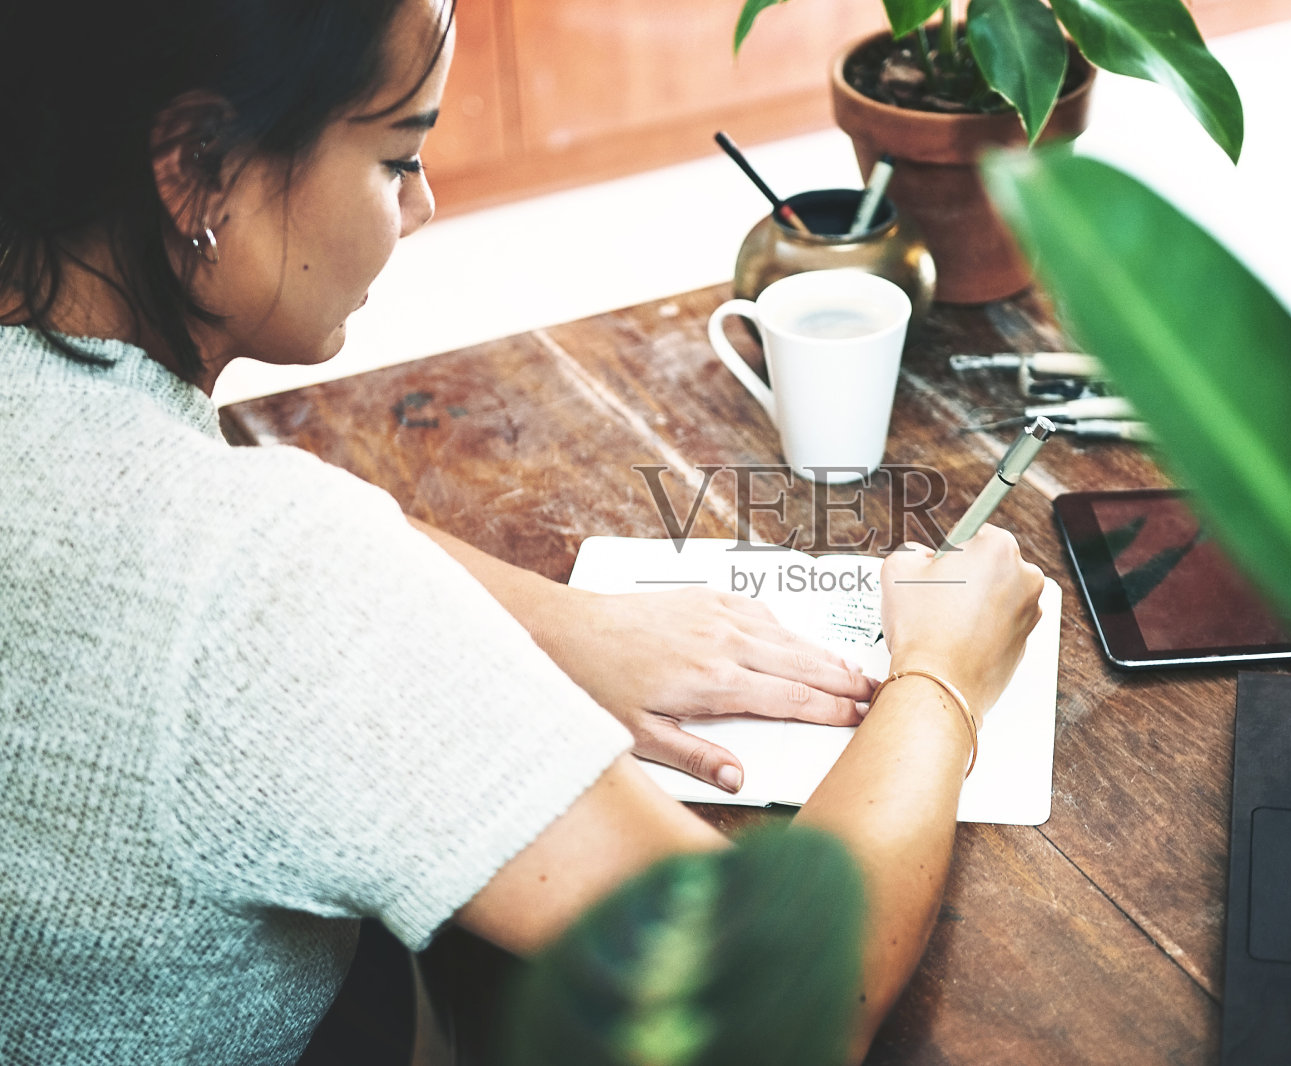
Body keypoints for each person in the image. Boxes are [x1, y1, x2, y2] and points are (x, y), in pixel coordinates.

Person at [0, 0, 1047, 1063]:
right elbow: (775, 1002)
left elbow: (214, 504)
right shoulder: (248, 575)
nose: (421, 207)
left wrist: (554, 621)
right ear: (197, 168)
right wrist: (942, 680)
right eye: (396, 155)